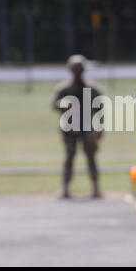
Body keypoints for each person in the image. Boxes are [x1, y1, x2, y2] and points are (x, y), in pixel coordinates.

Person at [53, 54, 103, 199]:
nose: (77, 72)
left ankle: (96, 188)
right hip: (69, 130)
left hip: (87, 130)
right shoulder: (64, 89)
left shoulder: (91, 88)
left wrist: (100, 128)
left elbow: (100, 108)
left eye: (79, 69)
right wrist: (62, 104)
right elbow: (54, 104)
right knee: (69, 159)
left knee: (91, 159)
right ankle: (66, 189)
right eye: (75, 69)